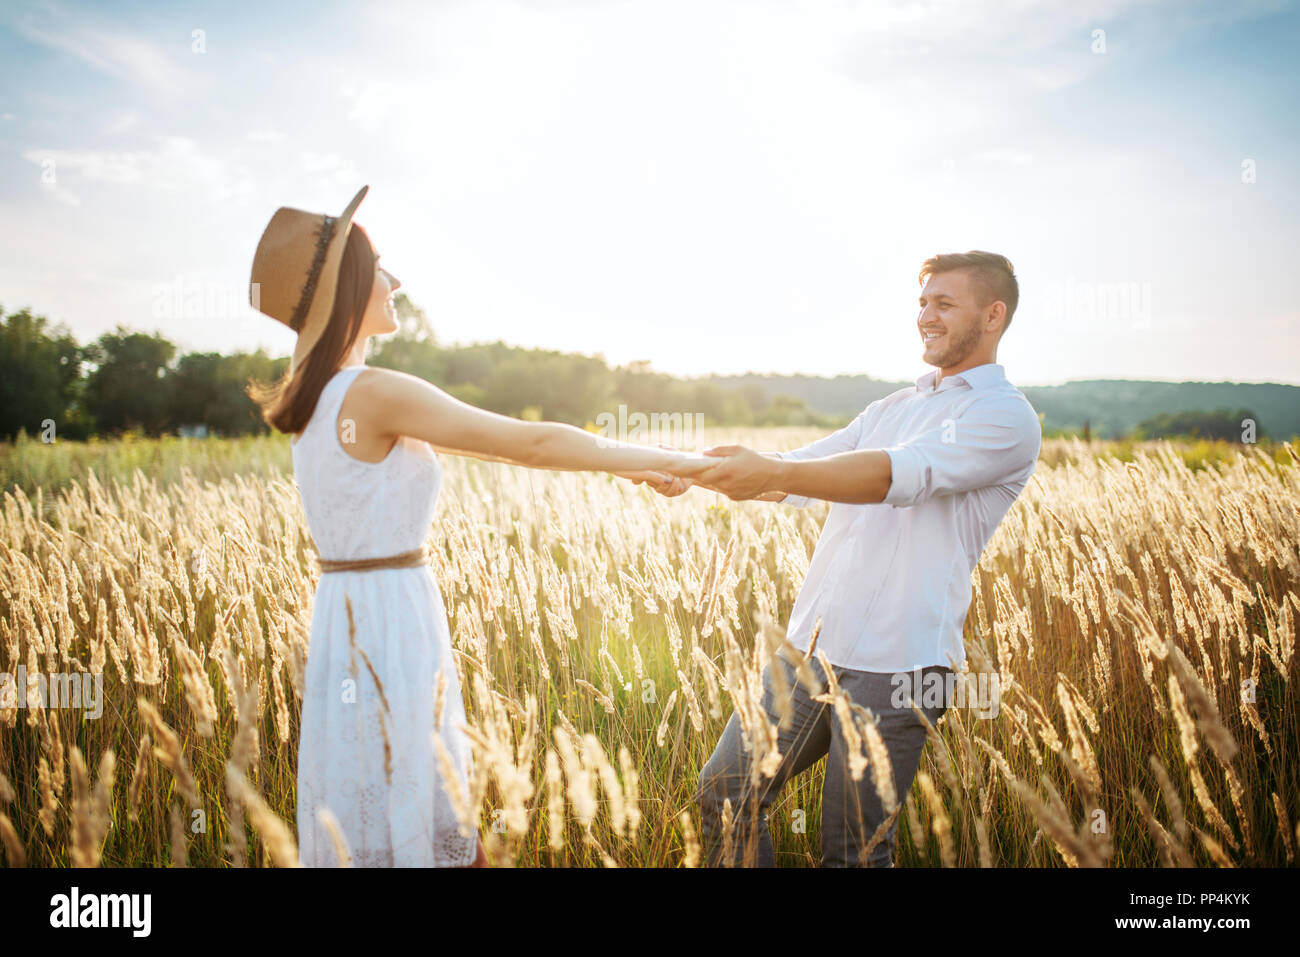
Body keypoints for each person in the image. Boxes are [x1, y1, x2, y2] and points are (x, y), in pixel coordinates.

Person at [247, 185, 693, 867]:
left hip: (352, 618)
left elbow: (501, 446)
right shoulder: (368, 393)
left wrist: (631, 467)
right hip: (390, 624)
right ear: (346, 287)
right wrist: (655, 457)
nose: (396, 281)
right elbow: (530, 442)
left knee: (391, 807)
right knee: (429, 816)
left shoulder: (320, 399)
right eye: (380, 269)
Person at [667, 250, 1043, 867]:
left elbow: (893, 475)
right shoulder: (892, 407)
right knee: (725, 796)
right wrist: (688, 469)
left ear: (994, 314)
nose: (925, 315)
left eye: (943, 303)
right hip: (811, 650)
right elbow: (795, 473)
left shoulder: (1004, 416)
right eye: (922, 302)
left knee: (854, 852)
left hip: (900, 667)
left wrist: (778, 470)